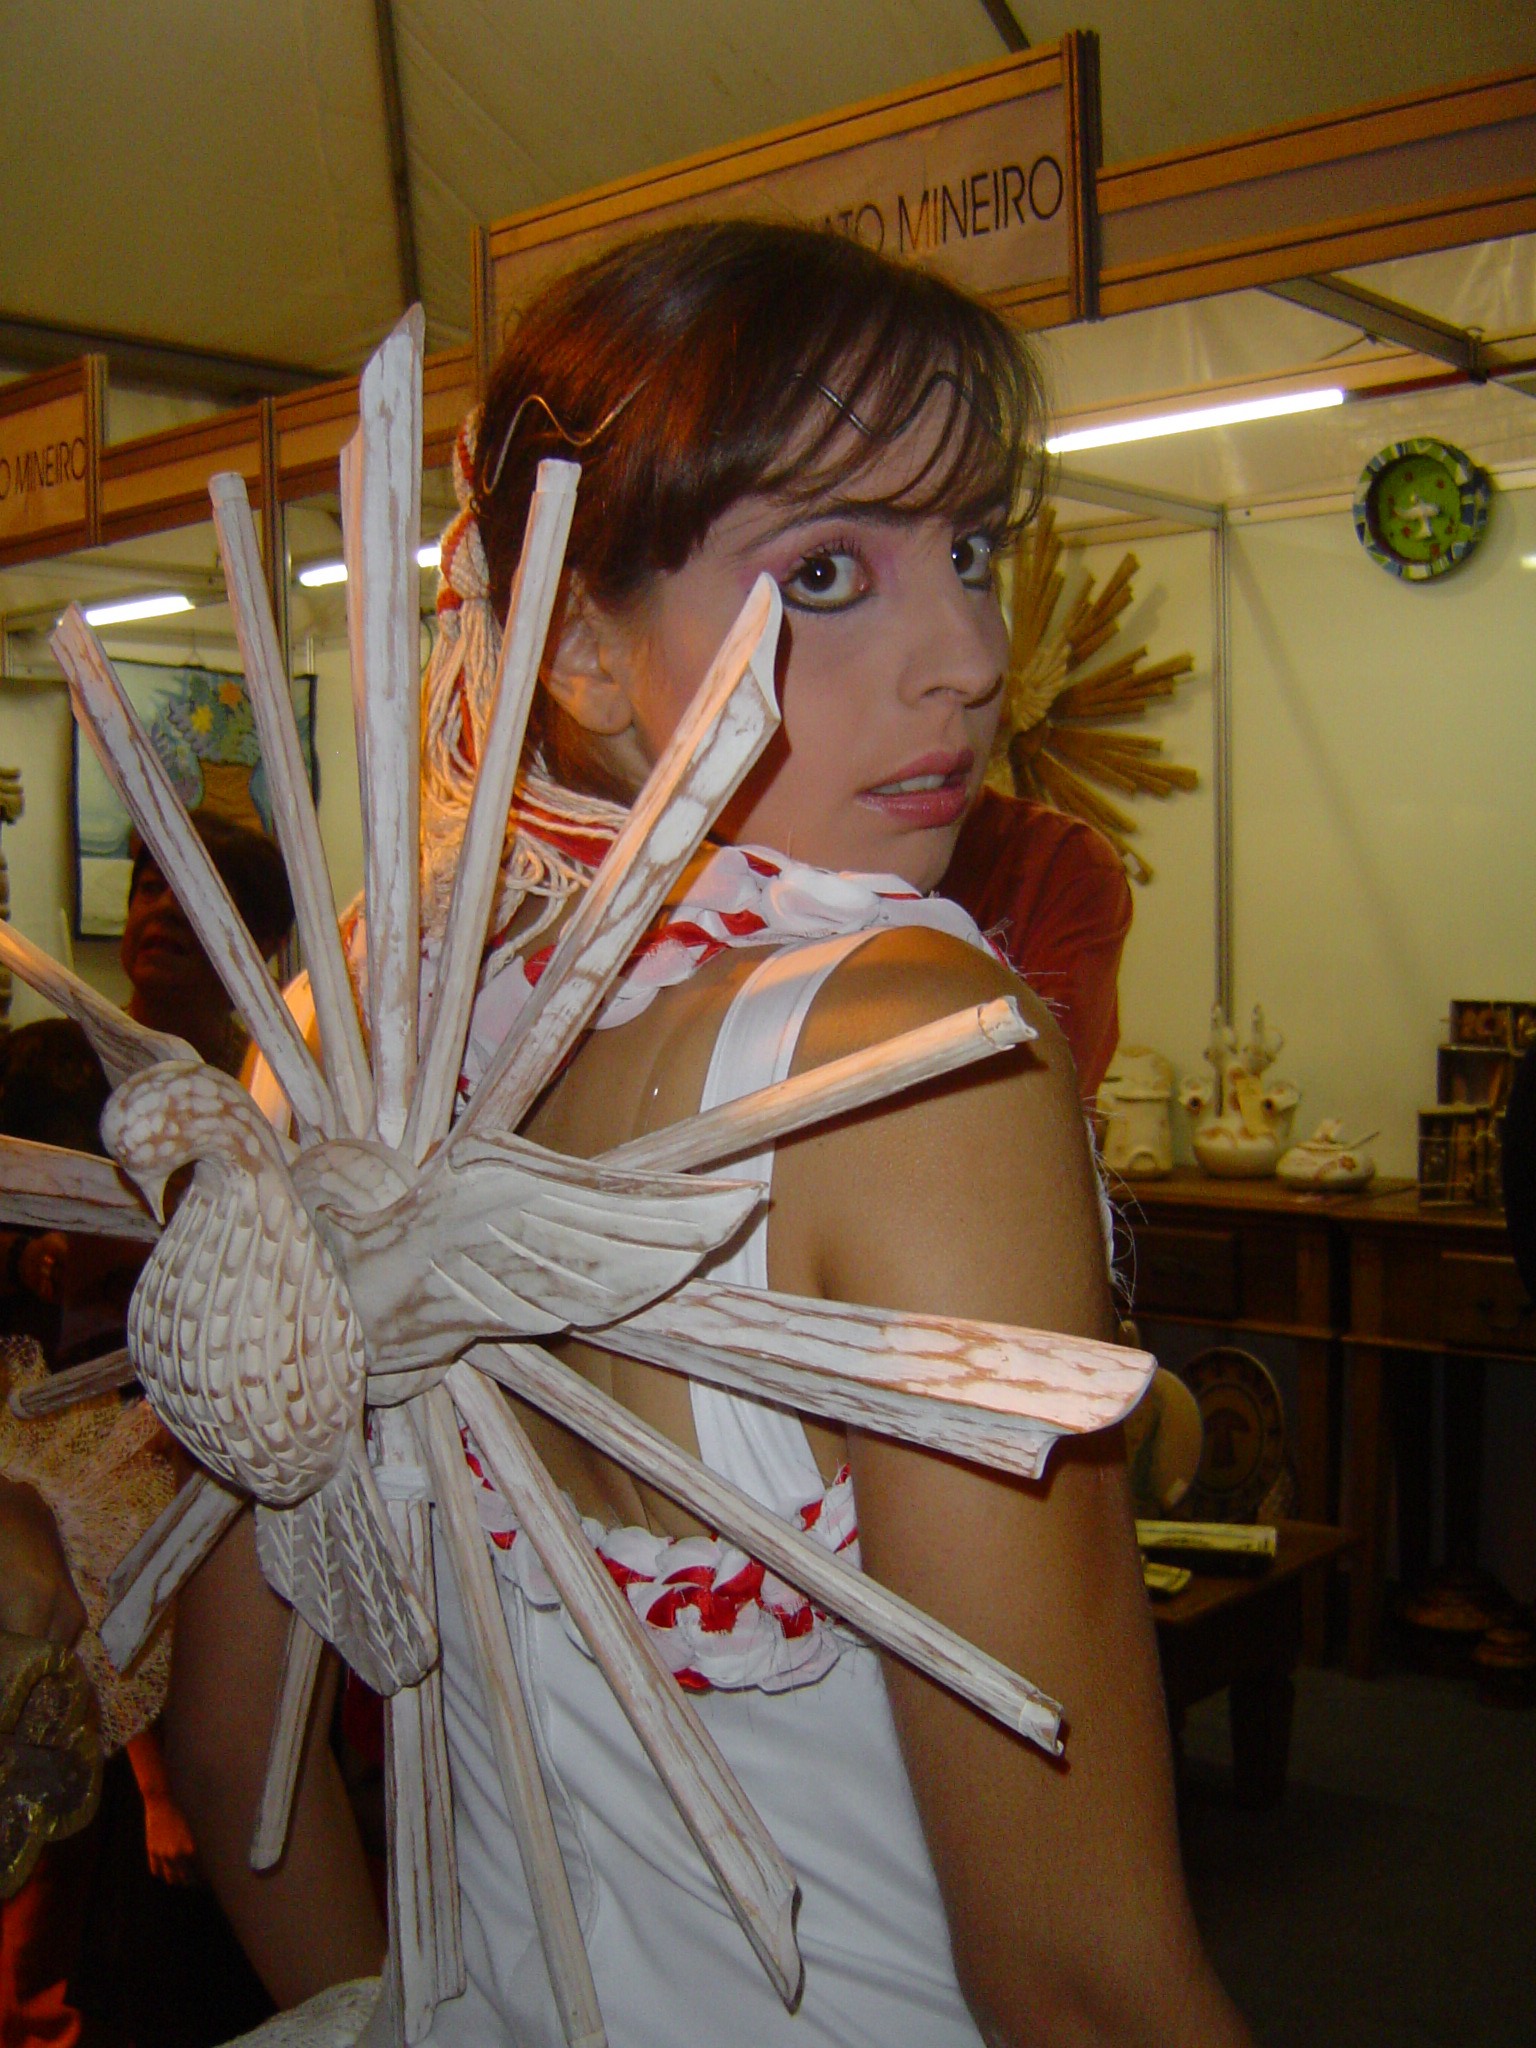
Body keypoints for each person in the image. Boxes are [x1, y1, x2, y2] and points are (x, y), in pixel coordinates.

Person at [169, 220, 1250, 2046]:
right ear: (582, 648)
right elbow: (1079, 1980)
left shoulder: (336, 1046)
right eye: (825, 571)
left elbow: (228, 1746)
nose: (967, 655)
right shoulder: (912, 1061)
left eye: (970, 547)